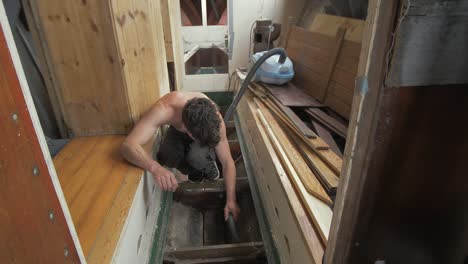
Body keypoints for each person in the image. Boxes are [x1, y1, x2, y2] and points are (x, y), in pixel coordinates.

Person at [121, 91, 240, 220]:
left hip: (195, 131)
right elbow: (128, 145)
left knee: (197, 158)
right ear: (189, 133)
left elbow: (227, 162)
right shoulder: (166, 109)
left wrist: (231, 200)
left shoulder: (215, 120)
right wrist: (155, 168)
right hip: (178, 129)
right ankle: (190, 166)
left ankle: (209, 167)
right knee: (166, 157)